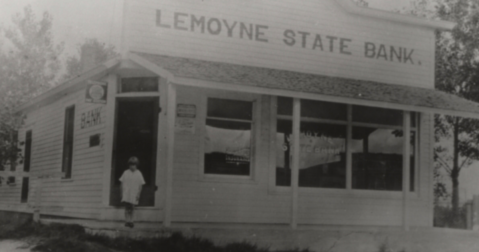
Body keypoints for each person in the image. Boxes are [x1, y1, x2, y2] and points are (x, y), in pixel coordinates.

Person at [119, 156, 145, 228]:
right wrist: (121, 193)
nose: (132, 166)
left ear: (136, 165)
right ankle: (127, 221)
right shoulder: (125, 172)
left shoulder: (139, 173)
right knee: (127, 208)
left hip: (134, 193)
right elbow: (121, 183)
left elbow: (140, 185)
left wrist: (138, 194)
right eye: (130, 165)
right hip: (127, 193)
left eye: (134, 165)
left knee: (132, 208)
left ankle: (131, 221)